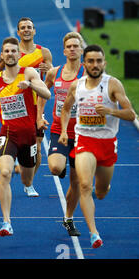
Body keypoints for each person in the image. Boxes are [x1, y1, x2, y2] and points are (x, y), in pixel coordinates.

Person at [58, 45, 135, 248]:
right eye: (91, 61)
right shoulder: (77, 86)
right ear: (84, 63)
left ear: (104, 63)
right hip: (84, 140)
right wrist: (65, 130)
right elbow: (65, 109)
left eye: (98, 61)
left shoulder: (113, 84)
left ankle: (103, 187)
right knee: (84, 185)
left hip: (107, 143)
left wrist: (111, 112)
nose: (95, 65)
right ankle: (94, 233)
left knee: (100, 192)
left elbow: (131, 114)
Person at [0, 37, 51, 236]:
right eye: (7, 51)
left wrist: (30, 85)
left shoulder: (28, 72)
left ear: (19, 55)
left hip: (29, 135)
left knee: (26, 179)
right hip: (8, 133)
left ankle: (26, 180)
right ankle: (6, 222)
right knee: (4, 173)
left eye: (14, 51)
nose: (10, 54)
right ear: (2, 55)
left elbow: (46, 94)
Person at [0, 17, 53, 197]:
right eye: (22, 28)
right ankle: (14, 159)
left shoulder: (44, 52)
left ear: (34, 30)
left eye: (29, 27)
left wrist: (49, 67)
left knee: (38, 143)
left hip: (36, 104)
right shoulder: (11, 52)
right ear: (18, 32)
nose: (26, 30)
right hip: (14, 104)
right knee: (14, 136)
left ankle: (29, 183)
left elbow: (51, 78)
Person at [42, 32, 85, 236]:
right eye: (69, 46)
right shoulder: (54, 73)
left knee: (76, 182)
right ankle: (62, 165)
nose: (72, 49)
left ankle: (68, 218)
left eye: (76, 46)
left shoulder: (87, 74)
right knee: (55, 168)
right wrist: (40, 114)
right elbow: (44, 92)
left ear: (81, 50)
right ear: (64, 50)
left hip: (82, 133)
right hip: (59, 130)